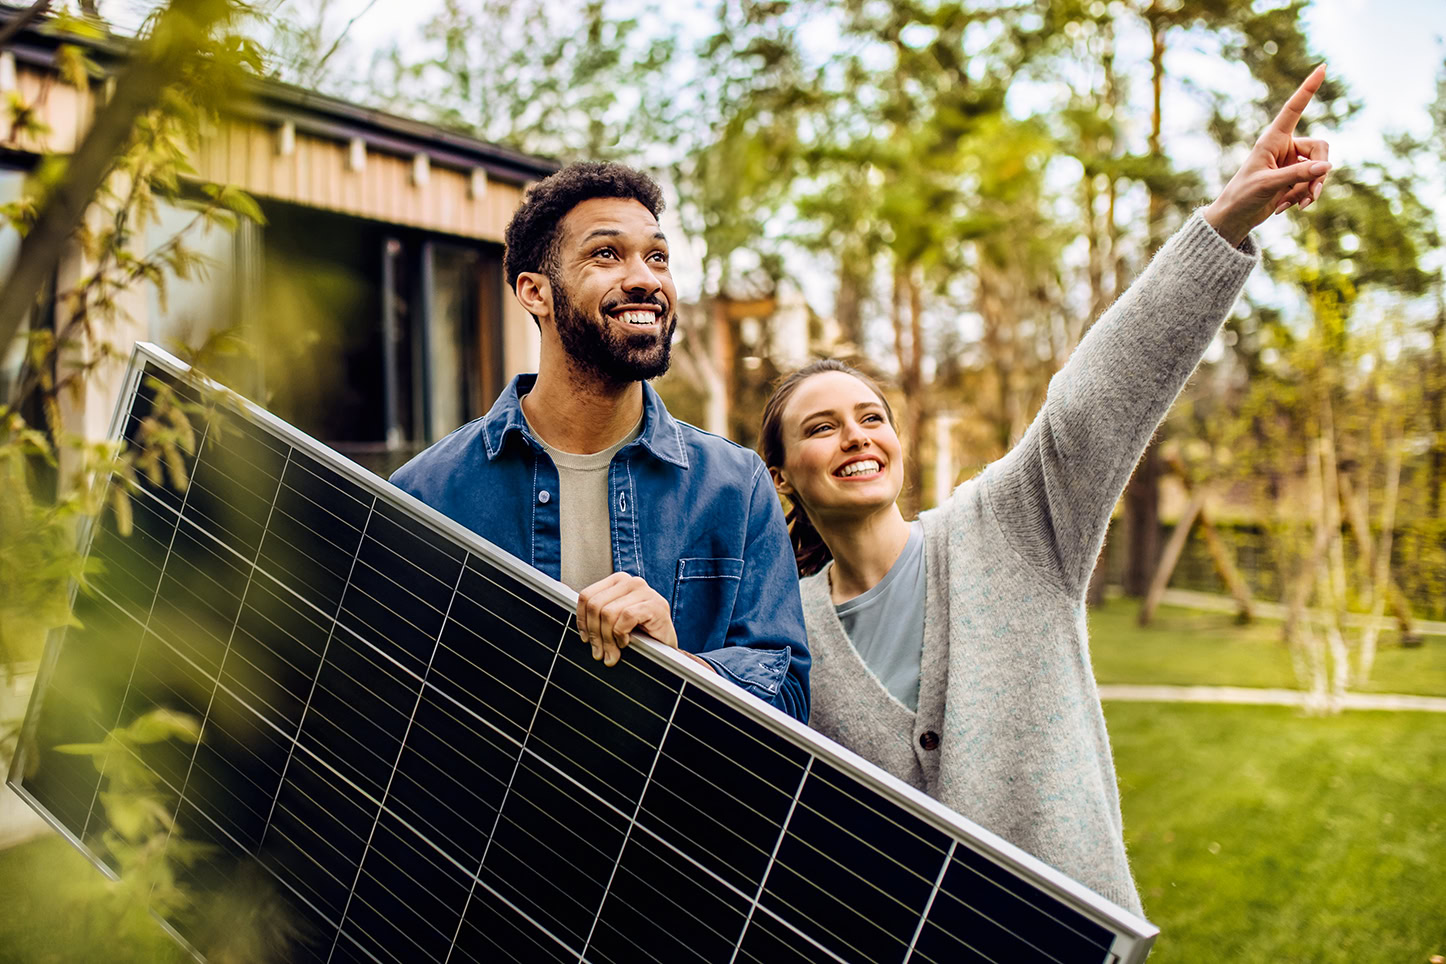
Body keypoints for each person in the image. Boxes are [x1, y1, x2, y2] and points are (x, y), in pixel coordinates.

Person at [759, 68, 1333, 911]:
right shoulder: (788, 631)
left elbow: (1096, 397)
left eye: (871, 415)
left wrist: (1225, 222)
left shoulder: (1007, 530)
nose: (856, 435)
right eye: (821, 426)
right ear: (782, 477)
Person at [392, 162, 809, 722]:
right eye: (607, 254)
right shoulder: (424, 496)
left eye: (657, 256)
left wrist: (681, 667)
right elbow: (391, 704)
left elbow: (792, 705)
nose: (645, 278)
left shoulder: (737, 487)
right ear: (535, 292)